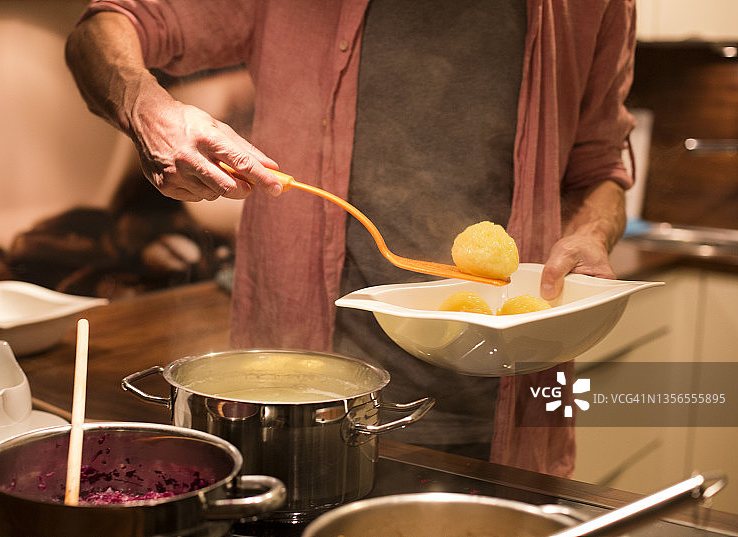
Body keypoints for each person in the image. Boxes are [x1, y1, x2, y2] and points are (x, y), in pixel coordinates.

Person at [66, 0, 636, 477]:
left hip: (511, 413)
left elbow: (600, 162)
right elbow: (104, 29)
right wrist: (150, 112)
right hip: (303, 413)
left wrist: (592, 229)